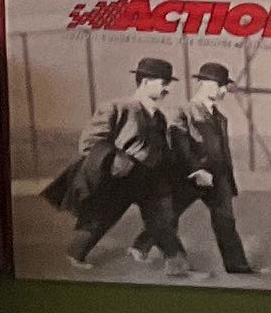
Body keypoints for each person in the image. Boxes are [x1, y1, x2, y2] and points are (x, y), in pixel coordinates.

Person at [42, 57, 191, 270]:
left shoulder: (159, 117)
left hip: (150, 179)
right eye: (163, 82)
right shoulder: (116, 108)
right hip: (120, 178)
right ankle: (74, 255)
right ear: (145, 81)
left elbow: (161, 150)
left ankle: (178, 265)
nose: (167, 88)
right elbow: (89, 142)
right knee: (101, 218)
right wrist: (116, 160)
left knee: (163, 219)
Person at [161, 58, 258, 276]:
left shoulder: (220, 117)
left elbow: (223, 151)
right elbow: (179, 144)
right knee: (167, 216)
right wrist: (196, 170)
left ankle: (238, 267)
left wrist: (227, 180)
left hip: (218, 178)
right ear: (204, 83)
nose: (224, 90)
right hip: (190, 176)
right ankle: (145, 247)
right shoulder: (183, 111)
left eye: (225, 86)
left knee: (225, 221)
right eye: (220, 85)